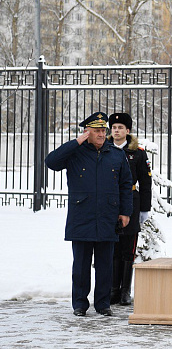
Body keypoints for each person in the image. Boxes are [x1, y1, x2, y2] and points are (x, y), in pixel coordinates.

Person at [45, 112, 133, 317]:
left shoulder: (116, 153)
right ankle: (80, 304)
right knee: (81, 265)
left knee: (105, 264)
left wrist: (125, 212)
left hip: (107, 216)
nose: (103, 134)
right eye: (97, 131)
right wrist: (76, 142)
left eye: (104, 130)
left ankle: (102, 304)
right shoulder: (75, 152)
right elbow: (51, 162)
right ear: (87, 133)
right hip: (82, 216)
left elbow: (125, 184)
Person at [107, 113, 152, 306]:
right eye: (114, 127)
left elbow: (145, 182)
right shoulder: (104, 149)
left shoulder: (138, 153)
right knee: (111, 249)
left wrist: (144, 209)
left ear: (128, 131)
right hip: (109, 203)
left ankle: (125, 291)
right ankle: (112, 290)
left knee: (128, 249)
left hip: (131, 202)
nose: (116, 131)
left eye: (120, 127)